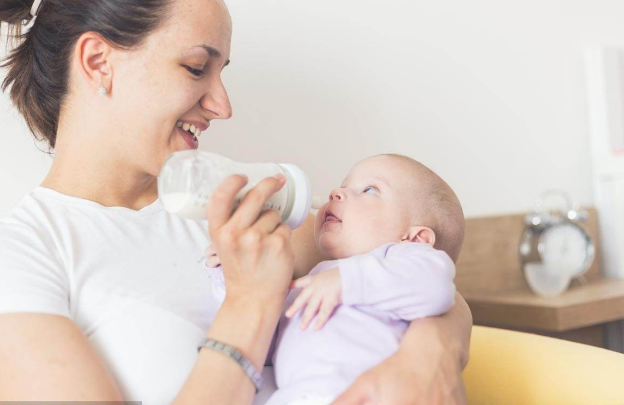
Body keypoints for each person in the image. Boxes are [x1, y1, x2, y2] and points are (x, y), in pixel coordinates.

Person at [0, 1, 473, 404]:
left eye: (221, 72)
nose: (223, 106)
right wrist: (249, 304)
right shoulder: (24, 257)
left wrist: (429, 354)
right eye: (195, 67)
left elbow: (417, 271)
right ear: (99, 61)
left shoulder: (233, 202)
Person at [205, 154, 464, 405]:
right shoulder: (315, 277)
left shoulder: (399, 261)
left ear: (415, 239)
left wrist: (346, 280)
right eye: (342, 186)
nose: (335, 193)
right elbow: (262, 342)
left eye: (370, 190)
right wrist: (230, 272)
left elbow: (435, 285)